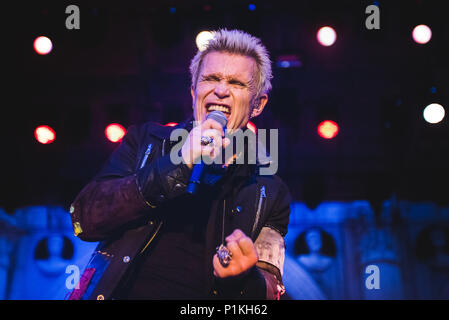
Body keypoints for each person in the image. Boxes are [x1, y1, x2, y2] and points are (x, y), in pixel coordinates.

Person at [68, 29, 292, 300]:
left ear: (257, 105)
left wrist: (245, 278)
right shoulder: (145, 142)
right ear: (194, 90)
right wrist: (176, 165)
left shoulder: (268, 190)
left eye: (236, 83)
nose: (220, 90)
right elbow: (84, 218)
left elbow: (271, 289)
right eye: (211, 78)